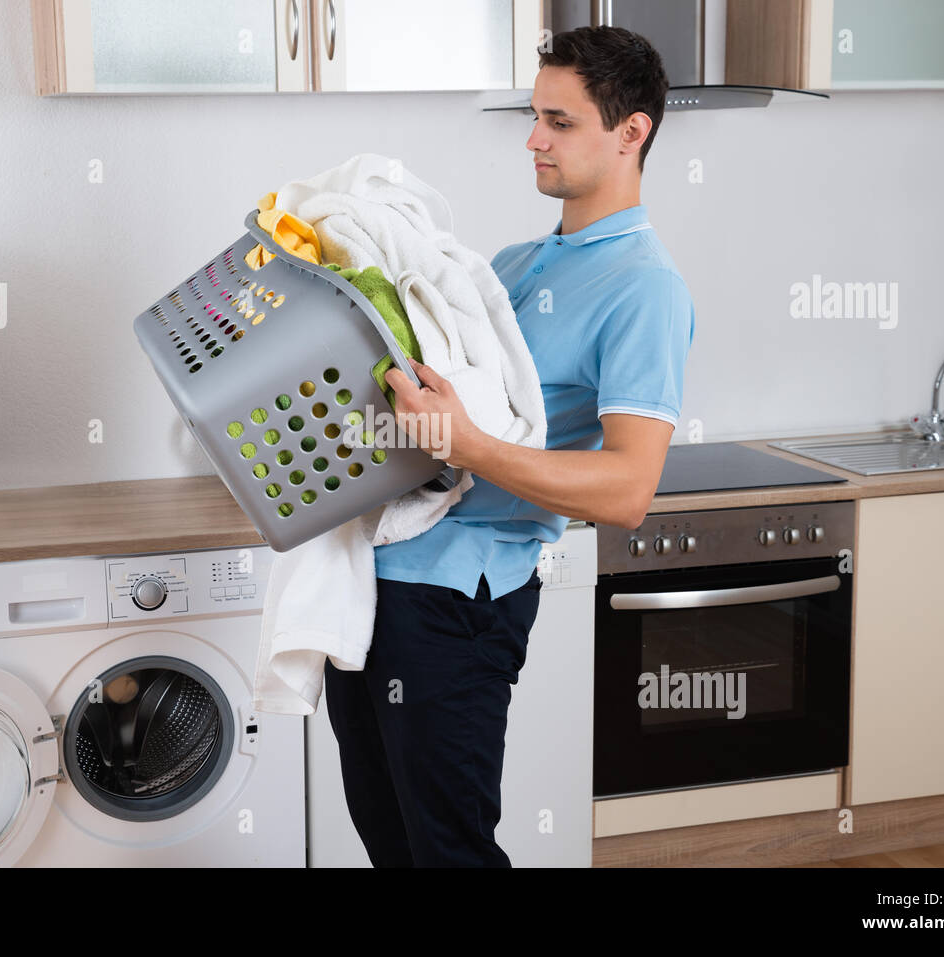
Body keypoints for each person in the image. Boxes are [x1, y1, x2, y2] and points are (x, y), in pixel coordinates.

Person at [323, 25, 696, 867]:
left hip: (458, 607)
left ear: (631, 132)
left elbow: (629, 489)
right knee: (391, 839)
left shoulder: (645, 288)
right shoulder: (512, 264)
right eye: (535, 116)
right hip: (377, 583)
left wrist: (471, 443)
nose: (533, 139)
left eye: (559, 122)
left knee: (449, 849)